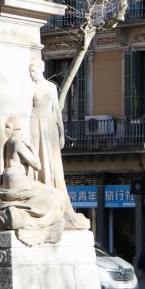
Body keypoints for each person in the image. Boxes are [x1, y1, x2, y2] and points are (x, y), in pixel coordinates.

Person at [29, 59, 89, 229]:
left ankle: (50, 192)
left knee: (51, 162)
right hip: (34, 125)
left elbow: (57, 111)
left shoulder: (51, 87)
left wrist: (62, 134)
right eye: (31, 71)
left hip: (49, 127)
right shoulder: (30, 88)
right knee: (38, 160)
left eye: (34, 71)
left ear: (41, 69)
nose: (32, 74)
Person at [0, 117, 68, 245]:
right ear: (19, 130)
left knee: (47, 194)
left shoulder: (8, 143)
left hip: (9, 179)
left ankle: (20, 213)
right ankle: (26, 218)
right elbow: (37, 165)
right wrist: (32, 147)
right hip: (18, 180)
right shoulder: (17, 143)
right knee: (57, 196)